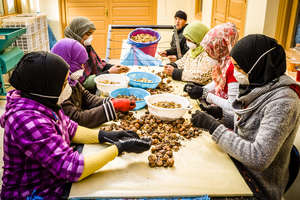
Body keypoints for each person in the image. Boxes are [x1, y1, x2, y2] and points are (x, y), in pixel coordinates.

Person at [0, 51, 151, 199]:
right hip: (35, 193)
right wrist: (119, 148)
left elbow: (70, 128)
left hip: (53, 180)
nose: (69, 87)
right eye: (64, 83)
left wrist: (105, 135)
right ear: (47, 85)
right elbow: (72, 168)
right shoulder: (26, 121)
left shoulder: (43, 101)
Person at [191, 34, 300, 200]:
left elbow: (258, 157)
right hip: (237, 163)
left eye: (239, 67)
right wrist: (220, 115)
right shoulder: (260, 82)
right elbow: (248, 123)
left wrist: (214, 127)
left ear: (256, 65)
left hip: (256, 185)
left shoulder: (284, 102)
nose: (236, 73)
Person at [51, 38, 135, 128]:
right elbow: (77, 119)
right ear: (67, 61)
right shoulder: (57, 89)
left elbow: (87, 98)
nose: (83, 68)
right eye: (79, 64)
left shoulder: (72, 80)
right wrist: (113, 106)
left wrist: (112, 101)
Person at [184, 22, 239, 119]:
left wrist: (205, 94)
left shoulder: (234, 68)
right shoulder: (222, 62)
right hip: (218, 109)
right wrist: (202, 90)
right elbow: (218, 83)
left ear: (220, 48)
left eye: (211, 50)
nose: (208, 54)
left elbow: (232, 105)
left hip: (227, 117)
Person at [64, 16, 129, 93]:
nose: (90, 37)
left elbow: (98, 64)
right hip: (82, 92)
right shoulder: (70, 51)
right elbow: (83, 83)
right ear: (78, 32)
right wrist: (109, 72)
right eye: (88, 34)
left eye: (91, 34)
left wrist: (114, 67)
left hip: (92, 89)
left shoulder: (86, 46)